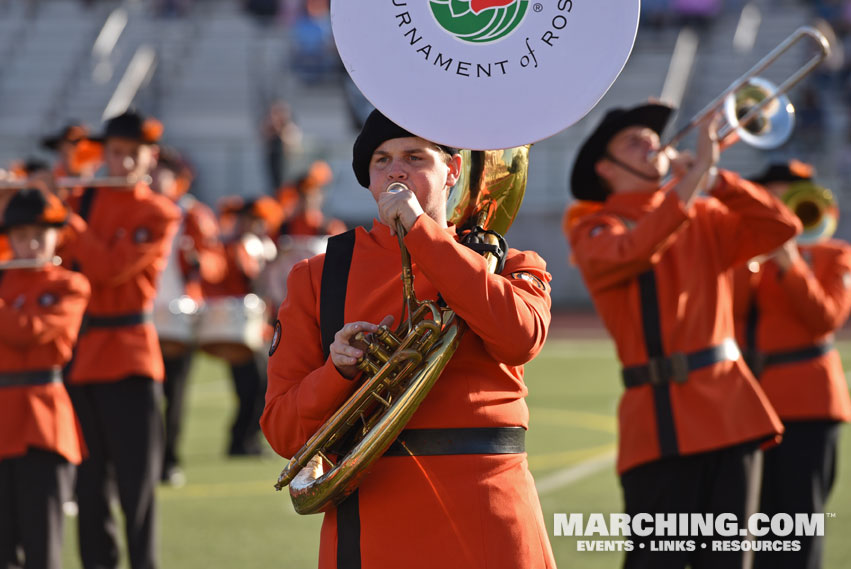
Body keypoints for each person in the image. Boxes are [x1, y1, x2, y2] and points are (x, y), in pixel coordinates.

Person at [261, 109, 556, 568]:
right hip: (374, 520)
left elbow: (521, 338)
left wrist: (422, 233)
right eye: (382, 160)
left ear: (452, 170)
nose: (396, 170)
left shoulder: (512, 263)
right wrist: (338, 371)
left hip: (491, 509)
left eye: (415, 156)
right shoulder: (319, 277)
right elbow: (282, 430)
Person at [564, 102, 801, 569]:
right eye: (633, 140)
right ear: (606, 169)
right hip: (658, 426)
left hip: (733, 415)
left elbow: (781, 228)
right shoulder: (594, 227)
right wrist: (693, 182)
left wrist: (716, 179)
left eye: (652, 137)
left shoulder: (703, 211)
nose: (652, 142)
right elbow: (635, 249)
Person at [59, 109, 181, 569]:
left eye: (134, 154)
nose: (123, 162)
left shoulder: (159, 211)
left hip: (130, 358)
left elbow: (111, 269)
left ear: (149, 158)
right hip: (81, 357)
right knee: (89, 490)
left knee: (137, 490)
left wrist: (68, 223)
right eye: (116, 153)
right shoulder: (82, 199)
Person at [734, 160, 851, 569]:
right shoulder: (746, 255)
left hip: (809, 404)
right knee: (749, 525)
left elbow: (826, 319)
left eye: (789, 194)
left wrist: (790, 262)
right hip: (749, 404)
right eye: (772, 194)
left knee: (798, 524)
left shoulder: (835, 255)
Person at [0, 189, 90, 569]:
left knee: (43, 548)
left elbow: (30, 331)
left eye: (41, 233)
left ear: (57, 235)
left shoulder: (70, 284)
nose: (32, 243)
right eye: (21, 235)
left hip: (45, 422)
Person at [150, 147, 227, 485]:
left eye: (160, 171)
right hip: (140, 315)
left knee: (174, 393)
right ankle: (146, 459)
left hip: (180, 314)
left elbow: (216, 262)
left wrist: (198, 261)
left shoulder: (192, 213)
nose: (153, 178)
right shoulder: (135, 208)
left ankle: (170, 460)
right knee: (141, 395)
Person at [203, 196, 280, 456]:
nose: (258, 226)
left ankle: (247, 440)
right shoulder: (233, 246)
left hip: (256, 327)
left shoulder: (258, 246)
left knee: (260, 386)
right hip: (237, 327)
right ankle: (240, 440)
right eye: (254, 220)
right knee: (251, 387)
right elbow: (237, 279)